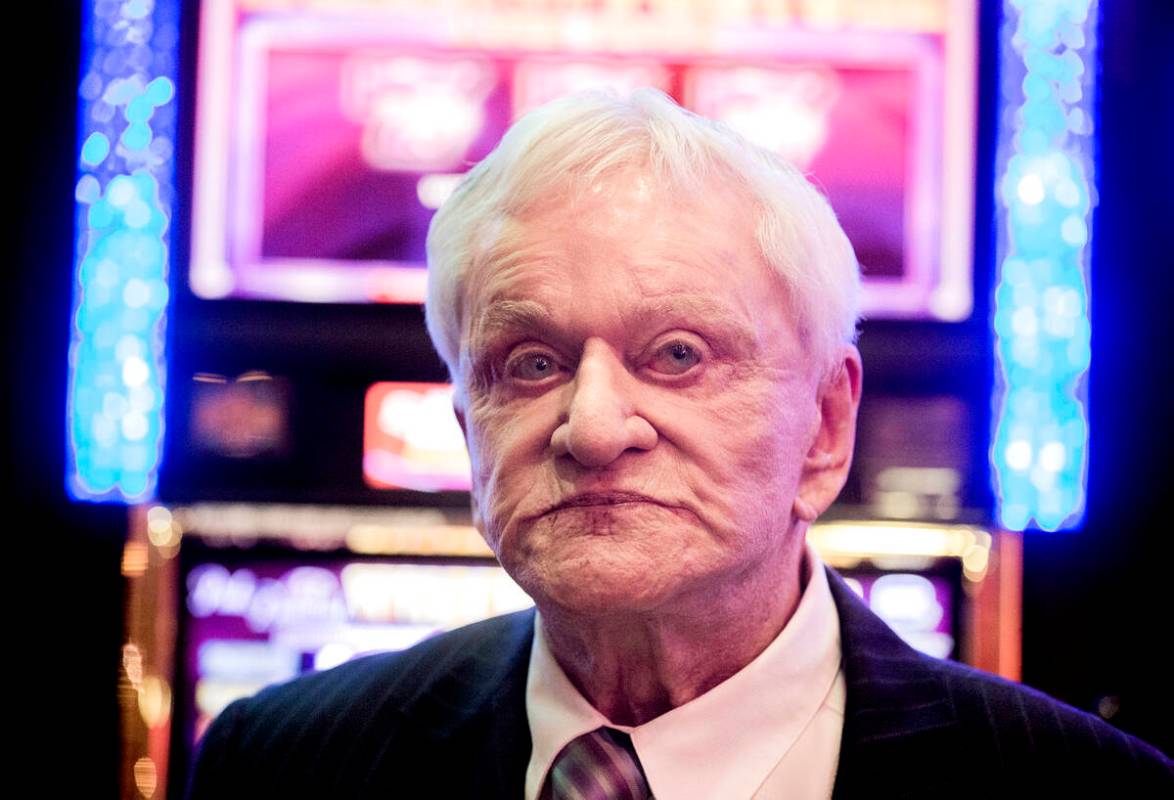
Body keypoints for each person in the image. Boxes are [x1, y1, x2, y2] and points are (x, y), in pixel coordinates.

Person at [188, 89, 1172, 798]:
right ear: (466, 427)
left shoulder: (1080, 787)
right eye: (531, 362)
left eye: (678, 352)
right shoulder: (282, 762)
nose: (592, 425)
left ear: (826, 426)